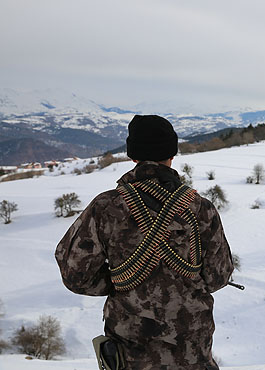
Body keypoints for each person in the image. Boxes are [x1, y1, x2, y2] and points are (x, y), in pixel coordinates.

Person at [55, 115, 234, 370]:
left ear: (133, 156)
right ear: (172, 153)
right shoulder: (201, 209)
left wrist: (121, 282)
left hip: (130, 355)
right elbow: (218, 276)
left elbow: (75, 275)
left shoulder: (106, 207)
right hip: (192, 353)